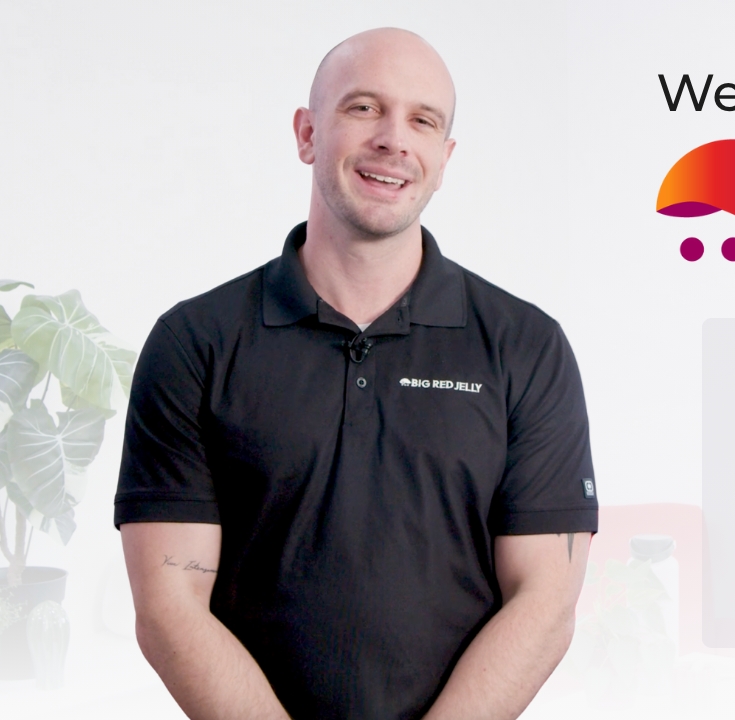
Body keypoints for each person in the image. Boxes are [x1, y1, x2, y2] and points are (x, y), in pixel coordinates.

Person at [114, 28, 597, 720]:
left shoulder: (525, 346)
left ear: (444, 156)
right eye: (364, 108)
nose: (394, 140)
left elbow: (545, 602)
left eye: (422, 120)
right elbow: (169, 606)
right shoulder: (197, 343)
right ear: (307, 134)